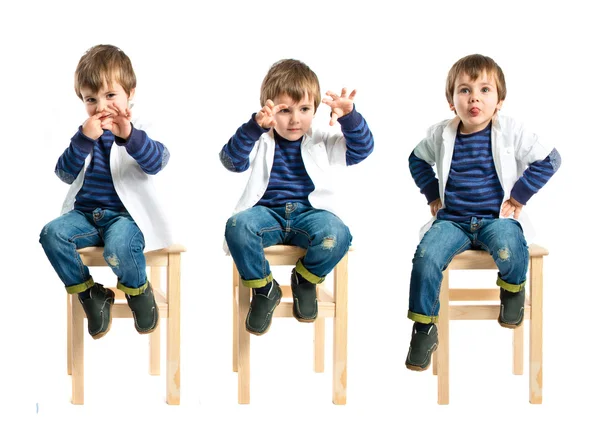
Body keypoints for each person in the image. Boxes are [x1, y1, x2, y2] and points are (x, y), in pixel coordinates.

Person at [406, 54, 561, 371]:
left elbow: (551, 159)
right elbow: (416, 159)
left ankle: (513, 288)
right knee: (426, 257)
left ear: (499, 101)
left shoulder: (511, 130)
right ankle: (424, 328)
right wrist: (432, 195)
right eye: (464, 90)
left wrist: (519, 195)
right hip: (454, 222)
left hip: (495, 219)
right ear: (452, 101)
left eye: (484, 90)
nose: (474, 97)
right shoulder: (441, 134)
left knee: (510, 245)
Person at [221, 59, 374, 335]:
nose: (295, 119)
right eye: (284, 110)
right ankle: (265, 289)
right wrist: (254, 127)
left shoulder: (321, 139)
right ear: (269, 109)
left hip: (310, 215)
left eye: (304, 109)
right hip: (267, 214)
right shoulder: (261, 137)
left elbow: (361, 150)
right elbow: (231, 160)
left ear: (315, 109)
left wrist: (350, 117)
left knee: (338, 233)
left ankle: (305, 279)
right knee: (237, 227)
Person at [40, 44, 172, 339]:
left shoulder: (139, 128)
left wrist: (129, 135)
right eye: (91, 99)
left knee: (119, 248)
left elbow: (157, 163)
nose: (101, 107)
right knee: (51, 234)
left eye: (110, 96)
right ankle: (91, 295)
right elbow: (64, 173)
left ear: (130, 92)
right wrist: (82, 140)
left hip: (125, 218)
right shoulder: (86, 133)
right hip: (86, 216)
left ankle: (139, 290)